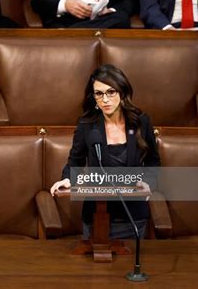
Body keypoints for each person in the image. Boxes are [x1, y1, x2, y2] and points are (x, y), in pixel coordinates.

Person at [50, 64, 160, 246]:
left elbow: (153, 161)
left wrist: (148, 182)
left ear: (122, 93)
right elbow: (75, 161)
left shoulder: (141, 122)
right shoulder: (87, 124)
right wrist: (68, 179)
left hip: (132, 214)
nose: (105, 99)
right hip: (97, 215)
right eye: (99, 94)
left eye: (111, 92)